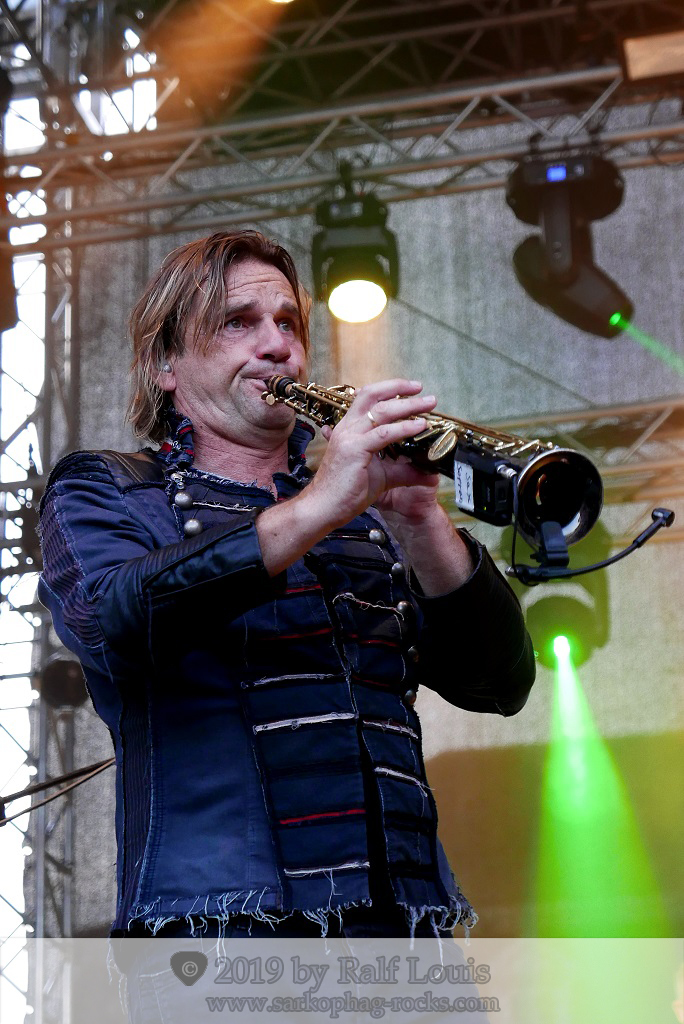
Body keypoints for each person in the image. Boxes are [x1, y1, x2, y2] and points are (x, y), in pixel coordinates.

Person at [38, 230, 535, 942]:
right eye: (238, 323)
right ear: (164, 363)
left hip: (402, 932)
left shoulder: (365, 511)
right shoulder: (108, 487)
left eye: (288, 325)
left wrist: (421, 521)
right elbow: (107, 620)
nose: (277, 346)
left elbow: (500, 685)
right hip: (220, 935)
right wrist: (318, 505)